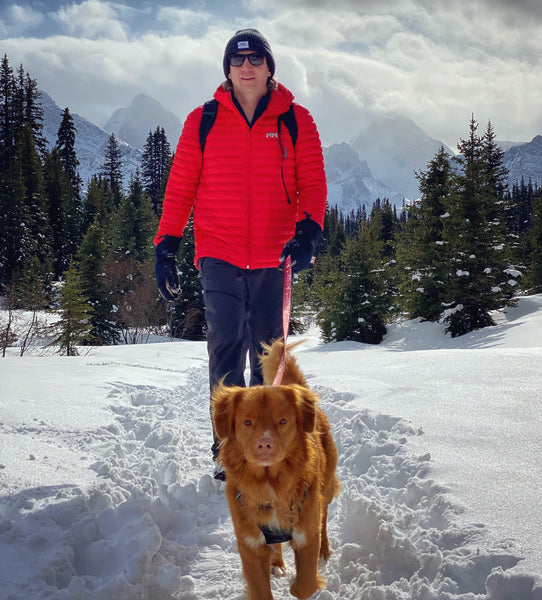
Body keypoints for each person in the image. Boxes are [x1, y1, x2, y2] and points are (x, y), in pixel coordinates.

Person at [154, 28, 327, 478]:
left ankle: (267, 449)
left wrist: (308, 233)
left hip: (276, 254)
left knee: (269, 356)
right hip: (219, 252)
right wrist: (166, 245)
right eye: (237, 60)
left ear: (270, 68)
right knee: (226, 348)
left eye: (255, 60)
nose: (246, 67)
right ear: (227, 70)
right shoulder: (203, 120)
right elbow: (181, 186)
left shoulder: (296, 120)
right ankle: (230, 452)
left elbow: (312, 183)